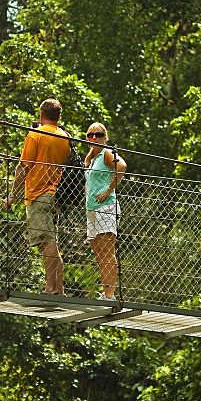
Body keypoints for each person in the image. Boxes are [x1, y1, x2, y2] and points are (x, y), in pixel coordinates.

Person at [2, 98, 71, 295]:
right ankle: (59, 288)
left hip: (38, 193)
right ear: (58, 117)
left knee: (45, 241)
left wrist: (12, 196)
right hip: (56, 194)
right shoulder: (64, 136)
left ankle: (50, 288)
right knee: (51, 240)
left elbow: (24, 166)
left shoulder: (36, 135)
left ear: (41, 115)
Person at [84, 122, 126, 300]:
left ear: (105, 137)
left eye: (98, 134)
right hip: (92, 210)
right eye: (90, 135)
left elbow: (122, 166)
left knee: (108, 251)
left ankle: (110, 296)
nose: (94, 138)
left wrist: (109, 190)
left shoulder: (106, 153)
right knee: (99, 253)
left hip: (106, 207)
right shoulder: (92, 158)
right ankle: (105, 293)